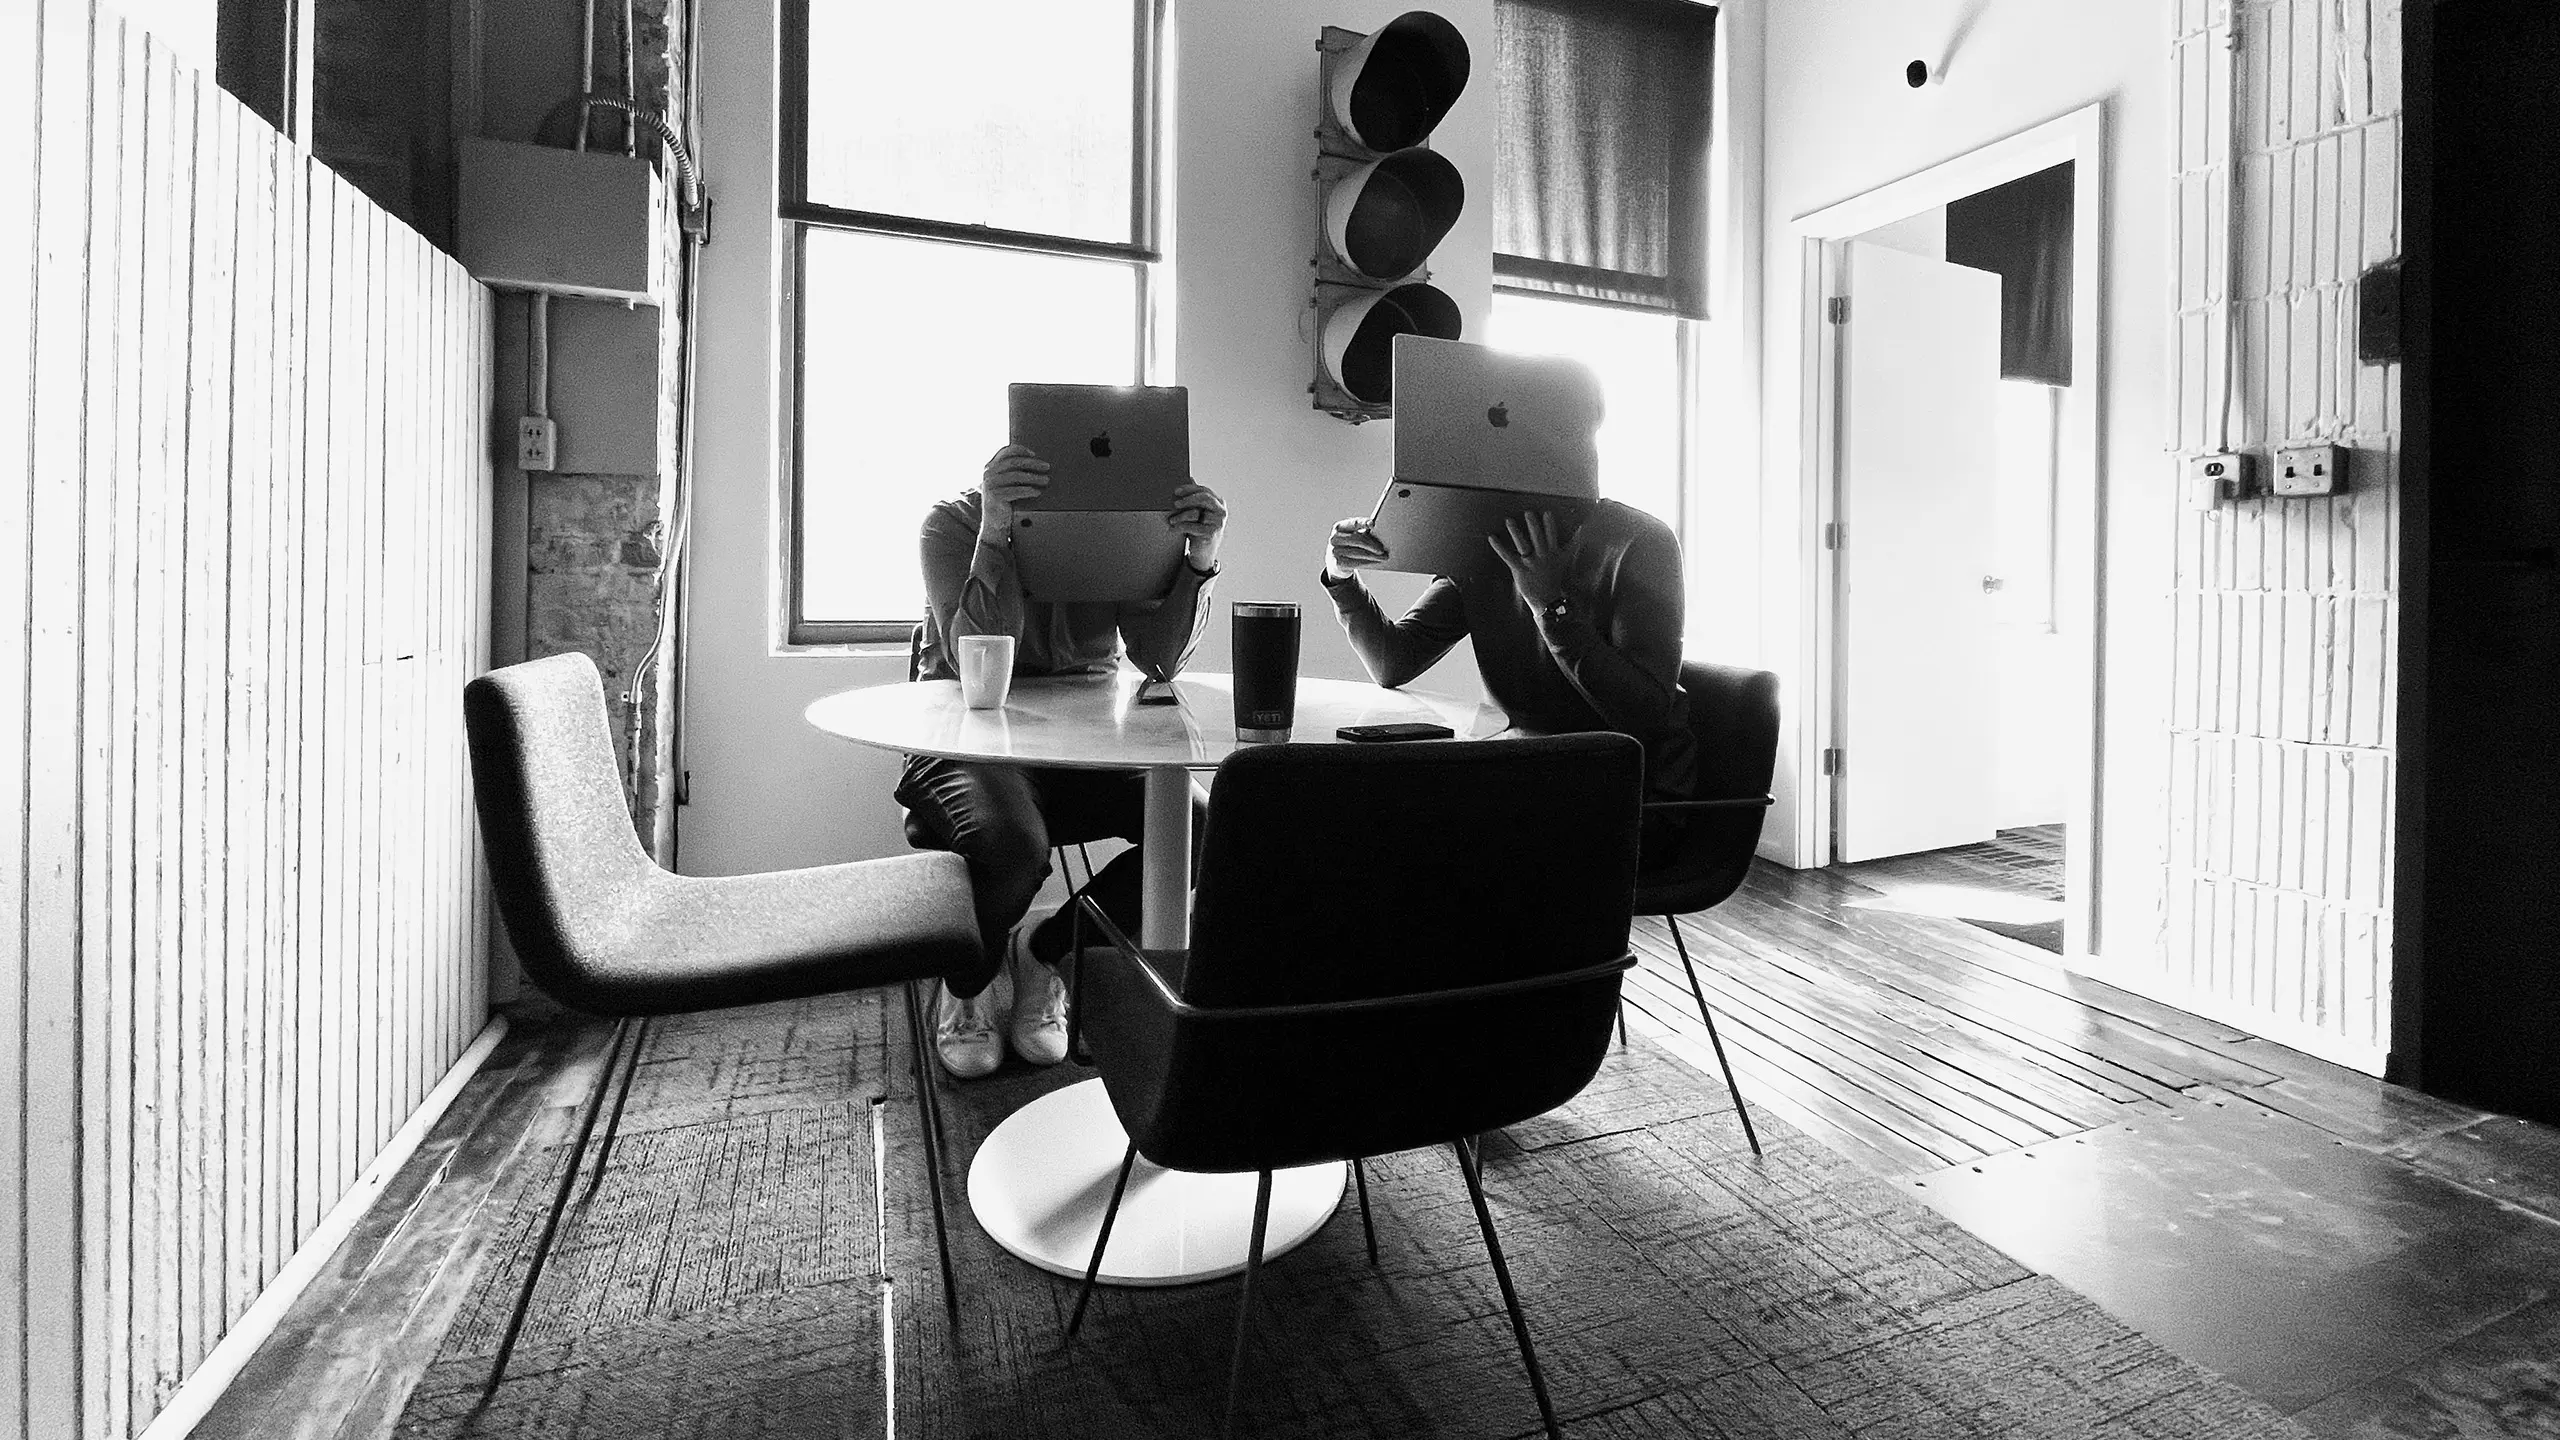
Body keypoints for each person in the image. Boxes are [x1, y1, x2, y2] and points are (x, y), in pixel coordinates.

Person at [899, 444, 1227, 1079]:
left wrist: (1198, 558)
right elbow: (974, 650)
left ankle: (1047, 954)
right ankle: (971, 979)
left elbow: (1159, 659)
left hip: (1084, 745)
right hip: (968, 736)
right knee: (1014, 848)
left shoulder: (1120, 530)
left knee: (1207, 832)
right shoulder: (952, 523)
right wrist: (996, 529)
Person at [1318, 500, 1696, 859]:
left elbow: (1644, 715)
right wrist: (1341, 576)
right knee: (1368, 812)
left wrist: (1550, 605)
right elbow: (1393, 660)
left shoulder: (1641, 540)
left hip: (1630, 800)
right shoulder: (1485, 547)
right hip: (1520, 779)